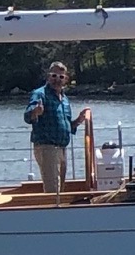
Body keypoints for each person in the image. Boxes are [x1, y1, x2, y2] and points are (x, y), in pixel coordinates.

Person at [24, 60, 91, 197]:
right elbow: (27, 116)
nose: (57, 80)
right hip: (46, 146)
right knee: (52, 190)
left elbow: (65, 125)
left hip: (62, 148)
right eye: (54, 76)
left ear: (65, 79)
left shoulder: (65, 99)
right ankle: (50, 215)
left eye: (61, 77)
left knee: (61, 188)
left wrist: (78, 121)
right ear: (48, 77)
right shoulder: (40, 94)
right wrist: (35, 112)